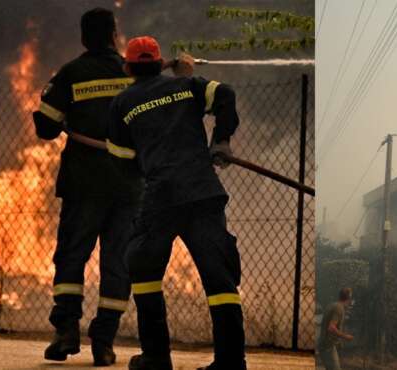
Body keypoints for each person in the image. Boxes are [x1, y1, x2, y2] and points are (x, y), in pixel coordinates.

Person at [106, 36, 245, 370]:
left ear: (128, 68)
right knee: (219, 278)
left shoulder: (123, 103)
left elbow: (120, 157)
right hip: (201, 192)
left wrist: (144, 166)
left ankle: (155, 357)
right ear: (159, 63)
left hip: (160, 197)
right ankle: (230, 363)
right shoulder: (187, 86)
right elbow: (225, 95)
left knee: (143, 268)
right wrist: (221, 141)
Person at [32, 8, 143, 366]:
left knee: (71, 256)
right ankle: (104, 341)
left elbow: (46, 127)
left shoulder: (72, 74)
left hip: (84, 185)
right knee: (118, 264)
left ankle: (66, 330)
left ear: (83, 38)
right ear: (114, 35)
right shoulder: (132, 73)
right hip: (128, 187)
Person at [318, 288, 354, 370]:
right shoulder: (339, 308)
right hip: (328, 347)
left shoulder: (333, 305)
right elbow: (331, 328)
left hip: (326, 345)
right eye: (351, 298)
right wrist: (346, 336)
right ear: (348, 298)